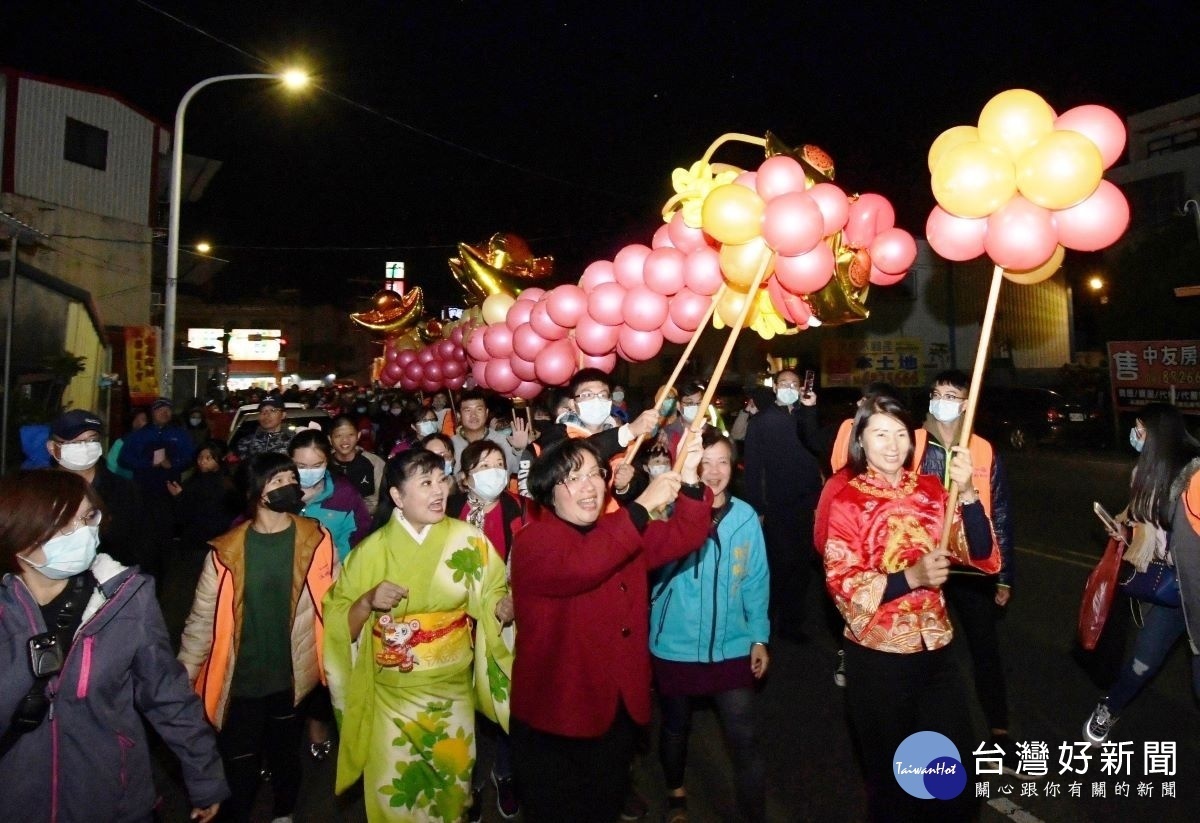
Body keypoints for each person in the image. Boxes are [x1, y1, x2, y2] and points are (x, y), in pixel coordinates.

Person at [0, 470, 228, 822]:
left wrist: (205, 774)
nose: (83, 534)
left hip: (111, 799)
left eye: (88, 517)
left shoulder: (124, 599)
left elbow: (166, 694)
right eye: (64, 525)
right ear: (20, 533)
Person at [509, 434, 712, 822]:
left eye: (596, 474)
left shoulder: (618, 531)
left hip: (615, 707)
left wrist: (688, 480)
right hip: (556, 715)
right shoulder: (535, 542)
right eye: (574, 478)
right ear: (549, 492)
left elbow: (684, 535)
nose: (590, 487)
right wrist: (642, 506)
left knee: (605, 806)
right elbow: (586, 564)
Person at [823, 395, 999, 822]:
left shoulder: (932, 491)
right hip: (879, 658)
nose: (892, 444)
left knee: (952, 778)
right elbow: (842, 583)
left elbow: (977, 551)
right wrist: (911, 578)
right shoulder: (846, 500)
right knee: (892, 782)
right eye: (880, 434)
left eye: (901, 433)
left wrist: (971, 495)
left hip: (936, 651)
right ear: (861, 441)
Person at [323, 449, 514, 822]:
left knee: (453, 790)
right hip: (391, 696)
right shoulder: (369, 552)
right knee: (396, 792)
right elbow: (337, 625)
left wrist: (500, 608)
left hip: (451, 692)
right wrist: (365, 601)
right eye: (425, 483)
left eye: (441, 480)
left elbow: (492, 592)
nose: (438, 490)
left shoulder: (468, 541)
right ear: (396, 496)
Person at [177, 452, 337, 823]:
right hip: (240, 679)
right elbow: (201, 620)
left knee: (285, 755)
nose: (289, 486)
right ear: (256, 492)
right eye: (277, 480)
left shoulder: (317, 540)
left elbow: (334, 603)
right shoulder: (224, 552)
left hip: (293, 674)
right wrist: (185, 672)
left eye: (290, 478)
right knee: (239, 762)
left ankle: (285, 811)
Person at [649, 428, 770, 823]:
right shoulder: (667, 511)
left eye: (722, 462)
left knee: (744, 735)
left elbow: (755, 580)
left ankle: (753, 813)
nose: (714, 471)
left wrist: (759, 637)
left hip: (731, 645)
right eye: (705, 462)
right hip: (675, 644)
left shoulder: (746, 516)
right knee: (675, 727)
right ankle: (676, 796)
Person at [915, 370, 1017, 767]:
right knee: (927, 649)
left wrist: (1004, 575)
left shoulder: (983, 450)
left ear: (964, 404)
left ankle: (1000, 732)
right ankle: (928, 732)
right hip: (927, 567)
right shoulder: (913, 444)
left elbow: (1002, 514)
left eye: (952, 394)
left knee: (985, 651)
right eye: (937, 392)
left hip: (974, 567)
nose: (943, 400)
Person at [1082, 402, 1200, 744]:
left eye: (1140, 429)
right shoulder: (1143, 475)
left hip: (1196, 589)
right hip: (1170, 591)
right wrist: (1124, 531)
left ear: (1158, 435)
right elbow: (1141, 523)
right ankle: (1111, 707)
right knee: (1141, 662)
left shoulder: (1193, 477)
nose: (1136, 436)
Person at [446, 439, 524, 820]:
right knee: (467, 706)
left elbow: (529, 562)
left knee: (505, 698)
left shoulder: (518, 510)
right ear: (464, 478)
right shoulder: (448, 512)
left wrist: (515, 599)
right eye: (482, 466)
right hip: (457, 622)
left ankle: (504, 773)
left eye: (498, 463)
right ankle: (470, 781)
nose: (493, 471)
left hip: (504, 620)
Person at [743, 371, 823, 641]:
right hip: (775, 505)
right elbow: (753, 469)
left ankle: (792, 625)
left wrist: (817, 502)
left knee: (801, 568)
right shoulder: (762, 421)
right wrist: (758, 509)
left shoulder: (807, 415)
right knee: (776, 567)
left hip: (805, 505)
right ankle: (764, 627)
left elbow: (817, 454)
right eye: (784, 384)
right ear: (775, 387)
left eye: (794, 384)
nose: (789, 388)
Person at [45, 408, 150, 572]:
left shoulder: (125, 491)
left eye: (92, 440)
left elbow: (139, 545)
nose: (85, 447)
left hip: (112, 583)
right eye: (75, 442)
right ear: (53, 447)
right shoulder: (39, 492)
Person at [291, 428, 372, 561]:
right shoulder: (276, 493)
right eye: (301, 466)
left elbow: (359, 539)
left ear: (327, 461)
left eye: (317, 465)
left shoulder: (344, 495)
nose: (309, 471)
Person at [452, 389, 530, 476]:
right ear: (459, 415)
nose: (473, 415)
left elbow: (517, 469)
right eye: (467, 410)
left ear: (486, 413)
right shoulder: (450, 445)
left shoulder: (502, 441)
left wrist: (519, 450)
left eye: (479, 409)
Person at [327, 415, 389, 515]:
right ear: (330, 439)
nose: (345, 441)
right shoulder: (323, 463)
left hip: (367, 520)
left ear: (358, 436)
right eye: (338, 436)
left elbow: (380, 500)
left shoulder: (374, 462)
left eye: (350, 435)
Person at [234, 395, 292, 460]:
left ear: (283, 415)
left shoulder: (294, 441)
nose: (266, 414)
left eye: (272, 410)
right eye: (262, 411)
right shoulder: (246, 442)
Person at [106, 407, 147, 479]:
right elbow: (111, 466)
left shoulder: (149, 441)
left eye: (146, 420)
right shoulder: (121, 442)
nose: (146, 423)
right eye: (143, 420)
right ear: (134, 422)